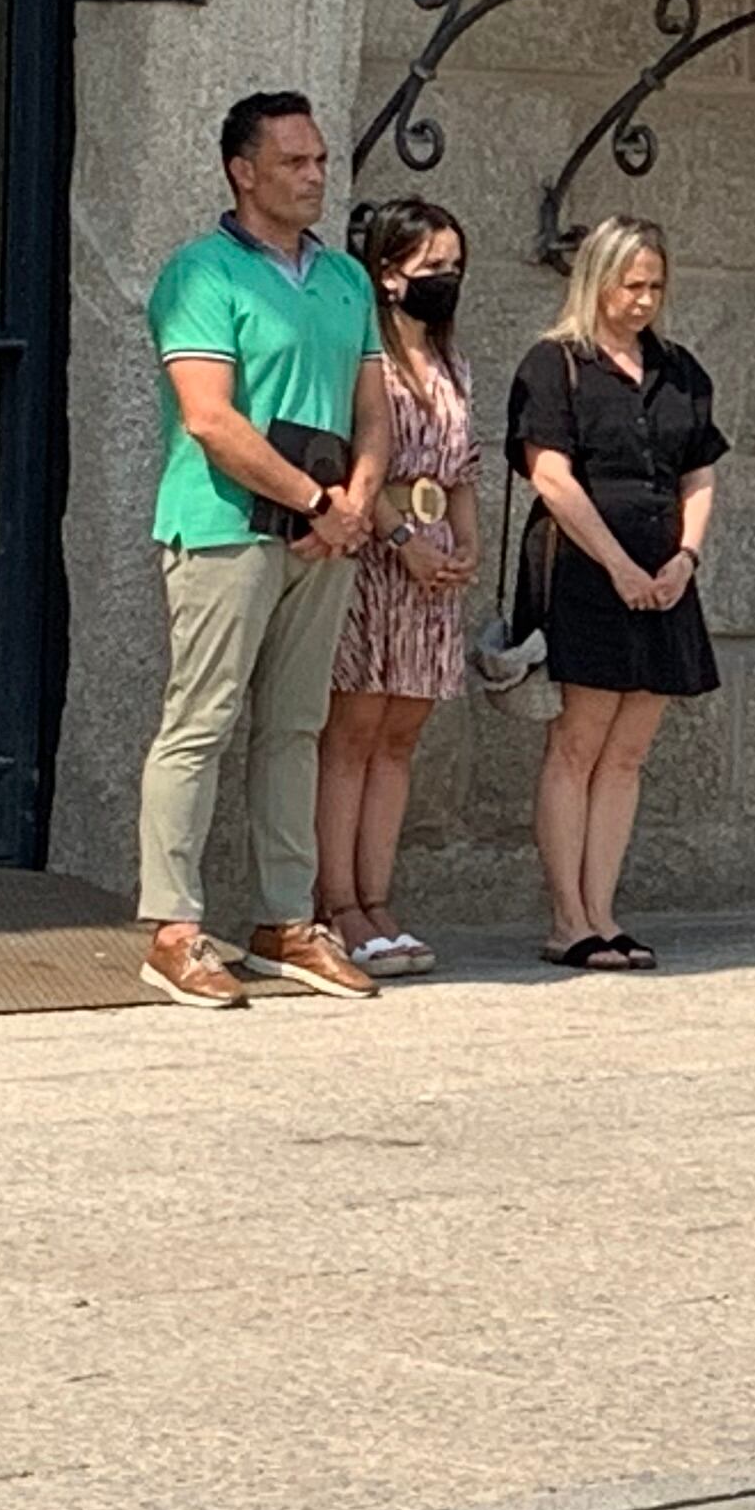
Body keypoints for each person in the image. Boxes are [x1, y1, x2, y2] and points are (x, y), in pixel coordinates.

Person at [132, 89, 391, 1007]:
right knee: (198, 723)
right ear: (243, 171)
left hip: (323, 542)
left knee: (294, 729)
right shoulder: (199, 275)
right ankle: (171, 929)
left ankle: (285, 918)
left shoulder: (348, 280)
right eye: (295, 162)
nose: (316, 176)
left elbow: (373, 409)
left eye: (321, 160)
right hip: (223, 528)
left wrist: (355, 503)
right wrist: (321, 500)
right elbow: (209, 417)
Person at [510, 215, 724, 971]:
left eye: (655, 286)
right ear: (596, 281)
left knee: (628, 751)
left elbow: (699, 471)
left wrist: (686, 557)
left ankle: (604, 909)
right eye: (630, 285)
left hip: (666, 569)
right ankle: (568, 918)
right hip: (585, 569)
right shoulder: (554, 364)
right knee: (578, 740)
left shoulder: (680, 370)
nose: (643, 300)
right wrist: (617, 566)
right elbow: (550, 476)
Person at [318, 198, 482, 983]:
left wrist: (468, 540)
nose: (445, 282)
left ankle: (378, 896)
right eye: (432, 269)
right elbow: (359, 455)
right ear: (388, 275)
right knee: (351, 731)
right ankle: (336, 902)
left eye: (454, 268)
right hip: (378, 550)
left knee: (400, 737)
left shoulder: (453, 362)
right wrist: (401, 538)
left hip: (434, 551)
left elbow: (465, 468)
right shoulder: (367, 358)